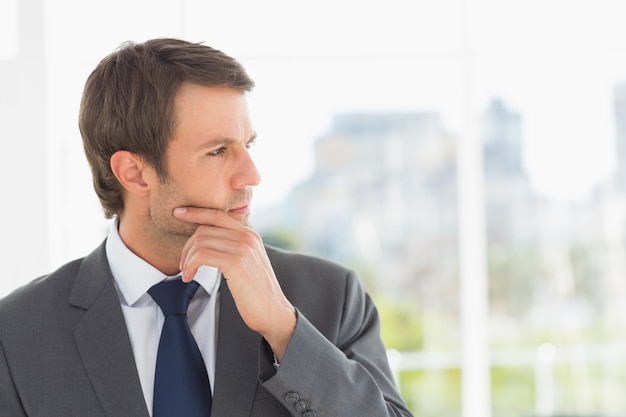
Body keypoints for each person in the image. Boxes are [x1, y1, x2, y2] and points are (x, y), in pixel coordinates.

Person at [0, 38, 413, 417]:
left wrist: (284, 328)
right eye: (218, 151)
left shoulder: (332, 297)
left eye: (246, 145)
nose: (250, 175)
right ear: (134, 173)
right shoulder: (17, 333)